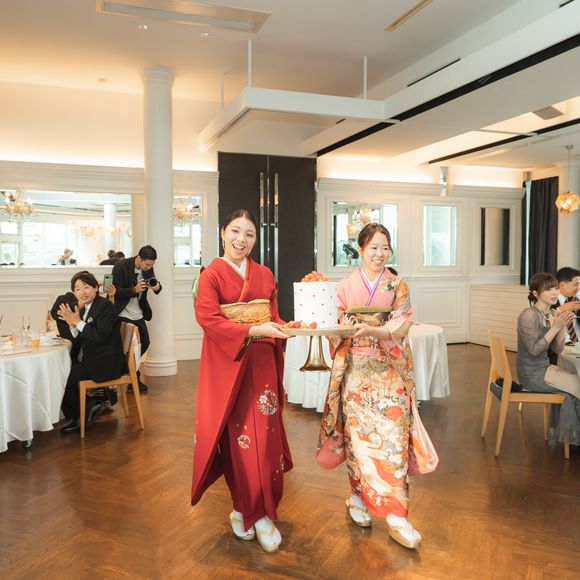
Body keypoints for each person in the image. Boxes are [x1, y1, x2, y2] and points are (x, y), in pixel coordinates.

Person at [318, 222, 426, 550]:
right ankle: (357, 497)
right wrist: (344, 329)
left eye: (385, 248)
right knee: (357, 440)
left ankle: (397, 515)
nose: (380, 254)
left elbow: (402, 321)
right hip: (356, 372)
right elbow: (337, 324)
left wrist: (373, 331)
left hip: (389, 372)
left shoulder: (397, 284)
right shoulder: (345, 286)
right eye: (374, 248)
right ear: (361, 249)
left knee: (393, 441)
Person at [191, 209, 292, 554]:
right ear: (223, 233)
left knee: (266, 438)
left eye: (249, 234)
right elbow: (208, 318)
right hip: (230, 364)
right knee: (240, 440)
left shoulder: (264, 273)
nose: (241, 239)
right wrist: (251, 329)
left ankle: (255, 511)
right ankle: (251, 510)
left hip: (262, 363)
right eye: (235, 231)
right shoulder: (211, 275)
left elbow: (273, 317)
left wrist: (290, 327)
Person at [54, 271, 125, 434]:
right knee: (61, 372)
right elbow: (83, 336)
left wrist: (77, 322)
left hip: (105, 363)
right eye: (77, 289)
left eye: (86, 287)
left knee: (63, 377)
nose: (82, 292)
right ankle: (88, 406)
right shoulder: (86, 307)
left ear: (96, 288)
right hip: (93, 358)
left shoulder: (105, 306)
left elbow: (100, 336)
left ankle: (82, 413)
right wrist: (73, 326)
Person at [517, 272, 580, 444]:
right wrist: (555, 328)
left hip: (545, 369)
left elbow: (558, 349)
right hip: (532, 374)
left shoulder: (549, 314)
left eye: (555, 288)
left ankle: (570, 435)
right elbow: (534, 350)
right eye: (548, 289)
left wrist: (561, 326)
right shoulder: (529, 315)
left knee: (577, 380)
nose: (554, 293)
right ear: (535, 293)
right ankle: (571, 436)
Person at [111, 245, 161, 392]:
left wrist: (157, 287)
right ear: (139, 258)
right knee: (129, 347)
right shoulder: (120, 267)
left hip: (138, 311)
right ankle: (134, 380)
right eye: (147, 265)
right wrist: (134, 290)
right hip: (122, 312)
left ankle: (126, 370)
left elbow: (154, 284)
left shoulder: (148, 268)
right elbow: (115, 291)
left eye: (151, 265)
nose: (149, 268)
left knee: (145, 342)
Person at [556, 267, 580, 343]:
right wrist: (561, 309)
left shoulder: (576, 300)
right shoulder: (550, 302)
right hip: (561, 344)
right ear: (562, 285)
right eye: (576, 285)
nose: (578, 288)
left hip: (577, 344)